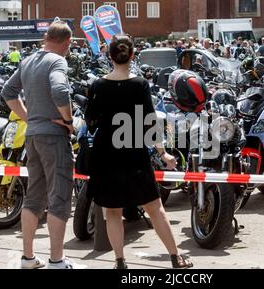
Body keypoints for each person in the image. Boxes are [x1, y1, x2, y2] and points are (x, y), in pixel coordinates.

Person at [85, 34, 193, 269]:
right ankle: (175, 257)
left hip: (106, 153)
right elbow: (150, 121)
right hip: (133, 151)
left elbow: (90, 122)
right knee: (155, 208)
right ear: (132, 56)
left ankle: (120, 261)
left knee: (112, 212)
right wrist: (163, 152)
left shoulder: (97, 85)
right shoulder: (140, 84)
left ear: (108, 55)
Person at [0, 21, 86, 269]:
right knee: (59, 197)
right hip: (53, 136)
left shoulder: (28, 60)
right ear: (66, 43)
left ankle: (27, 257)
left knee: (34, 198)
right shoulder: (58, 61)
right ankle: (57, 261)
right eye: (69, 46)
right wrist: (68, 121)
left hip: (33, 136)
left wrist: (29, 118)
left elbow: (8, 92)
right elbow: (60, 91)